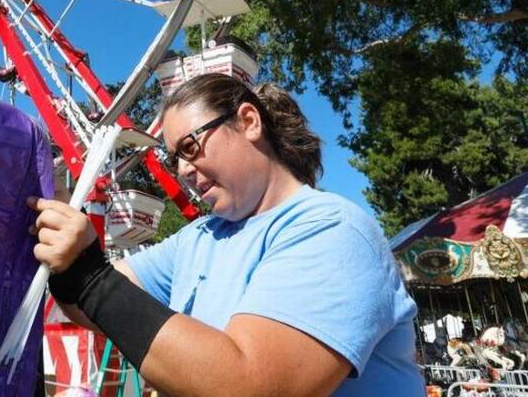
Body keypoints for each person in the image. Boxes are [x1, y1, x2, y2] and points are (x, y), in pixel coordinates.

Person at [29, 73, 425, 396]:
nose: (182, 170)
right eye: (174, 158)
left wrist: (89, 275)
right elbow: (93, 305)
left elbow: (253, 385)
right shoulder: (199, 237)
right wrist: (62, 241)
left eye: (190, 146)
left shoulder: (333, 230)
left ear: (249, 122)